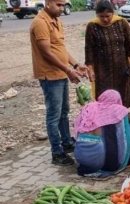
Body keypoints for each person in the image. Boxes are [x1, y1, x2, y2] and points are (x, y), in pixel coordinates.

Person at [30, 0, 90, 166]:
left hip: (61, 73)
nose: (62, 8)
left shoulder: (56, 20)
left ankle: (66, 142)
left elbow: (60, 49)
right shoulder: (41, 23)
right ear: (48, 3)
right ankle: (56, 152)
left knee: (64, 111)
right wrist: (69, 70)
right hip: (50, 75)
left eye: (63, 5)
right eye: (58, 5)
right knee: (54, 114)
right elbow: (47, 53)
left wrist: (76, 65)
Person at [73, 89, 130, 178]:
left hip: (80, 155)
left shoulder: (89, 108)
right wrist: (126, 122)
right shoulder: (120, 110)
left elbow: (75, 124)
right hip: (100, 159)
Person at [85, 0, 130, 108]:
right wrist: (90, 70)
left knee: (123, 99)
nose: (105, 19)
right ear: (97, 15)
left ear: (113, 13)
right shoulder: (92, 26)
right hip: (102, 72)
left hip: (122, 69)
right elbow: (89, 51)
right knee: (104, 100)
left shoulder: (122, 23)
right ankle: (107, 124)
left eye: (108, 16)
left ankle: (124, 123)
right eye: (101, 16)